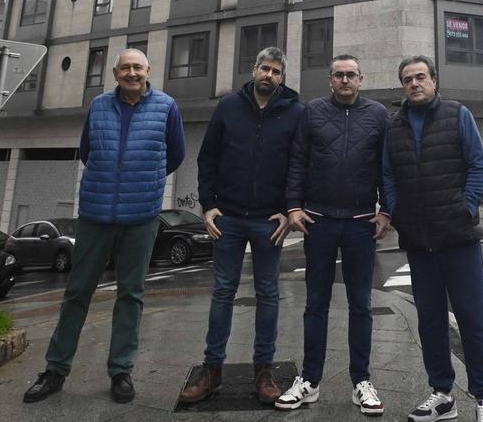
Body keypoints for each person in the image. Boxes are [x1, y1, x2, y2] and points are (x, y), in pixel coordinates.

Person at [23, 48, 185, 405]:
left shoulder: (166, 106)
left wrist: (142, 183)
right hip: (96, 215)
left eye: (138, 67)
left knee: (131, 294)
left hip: (141, 216)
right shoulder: (98, 106)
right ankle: (55, 370)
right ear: (115, 73)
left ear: (148, 71)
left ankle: (121, 371)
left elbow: (175, 155)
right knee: (77, 292)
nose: (132, 73)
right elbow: (87, 150)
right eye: (125, 67)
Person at [179, 47, 303, 405]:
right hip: (228, 219)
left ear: (282, 77)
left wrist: (288, 209)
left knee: (268, 294)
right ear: (253, 69)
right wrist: (208, 206)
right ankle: (212, 370)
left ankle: (264, 371)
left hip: (269, 221)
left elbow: (300, 164)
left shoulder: (295, 113)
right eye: (264, 68)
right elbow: (207, 158)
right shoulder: (229, 106)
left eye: (276, 71)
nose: (269, 75)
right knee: (222, 292)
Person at [382, 55, 483, 422]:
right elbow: (388, 176)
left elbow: (478, 166)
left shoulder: (457, 114)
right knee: (429, 321)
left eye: (420, 77)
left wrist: (465, 208)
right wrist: (398, 213)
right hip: (418, 241)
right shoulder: (393, 126)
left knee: (472, 319)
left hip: (459, 237)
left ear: (434, 80)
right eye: (407, 79)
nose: (414, 83)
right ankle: (442, 395)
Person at [276, 54, 391, 415]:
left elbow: (386, 167)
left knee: (361, 305)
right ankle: (309, 381)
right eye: (338, 75)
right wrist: (293, 206)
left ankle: (361, 382)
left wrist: (386, 210)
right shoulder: (312, 112)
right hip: (318, 222)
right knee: (315, 304)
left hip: (360, 224)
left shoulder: (378, 115)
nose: (345, 80)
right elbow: (297, 161)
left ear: (361, 79)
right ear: (330, 80)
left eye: (351, 75)